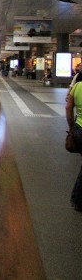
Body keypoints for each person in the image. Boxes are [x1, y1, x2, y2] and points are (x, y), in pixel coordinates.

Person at [66, 78, 82, 212]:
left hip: (79, 130)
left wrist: (71, 127)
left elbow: (68, 107)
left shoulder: (77, 86)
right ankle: (77, 199)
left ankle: (77, 199)